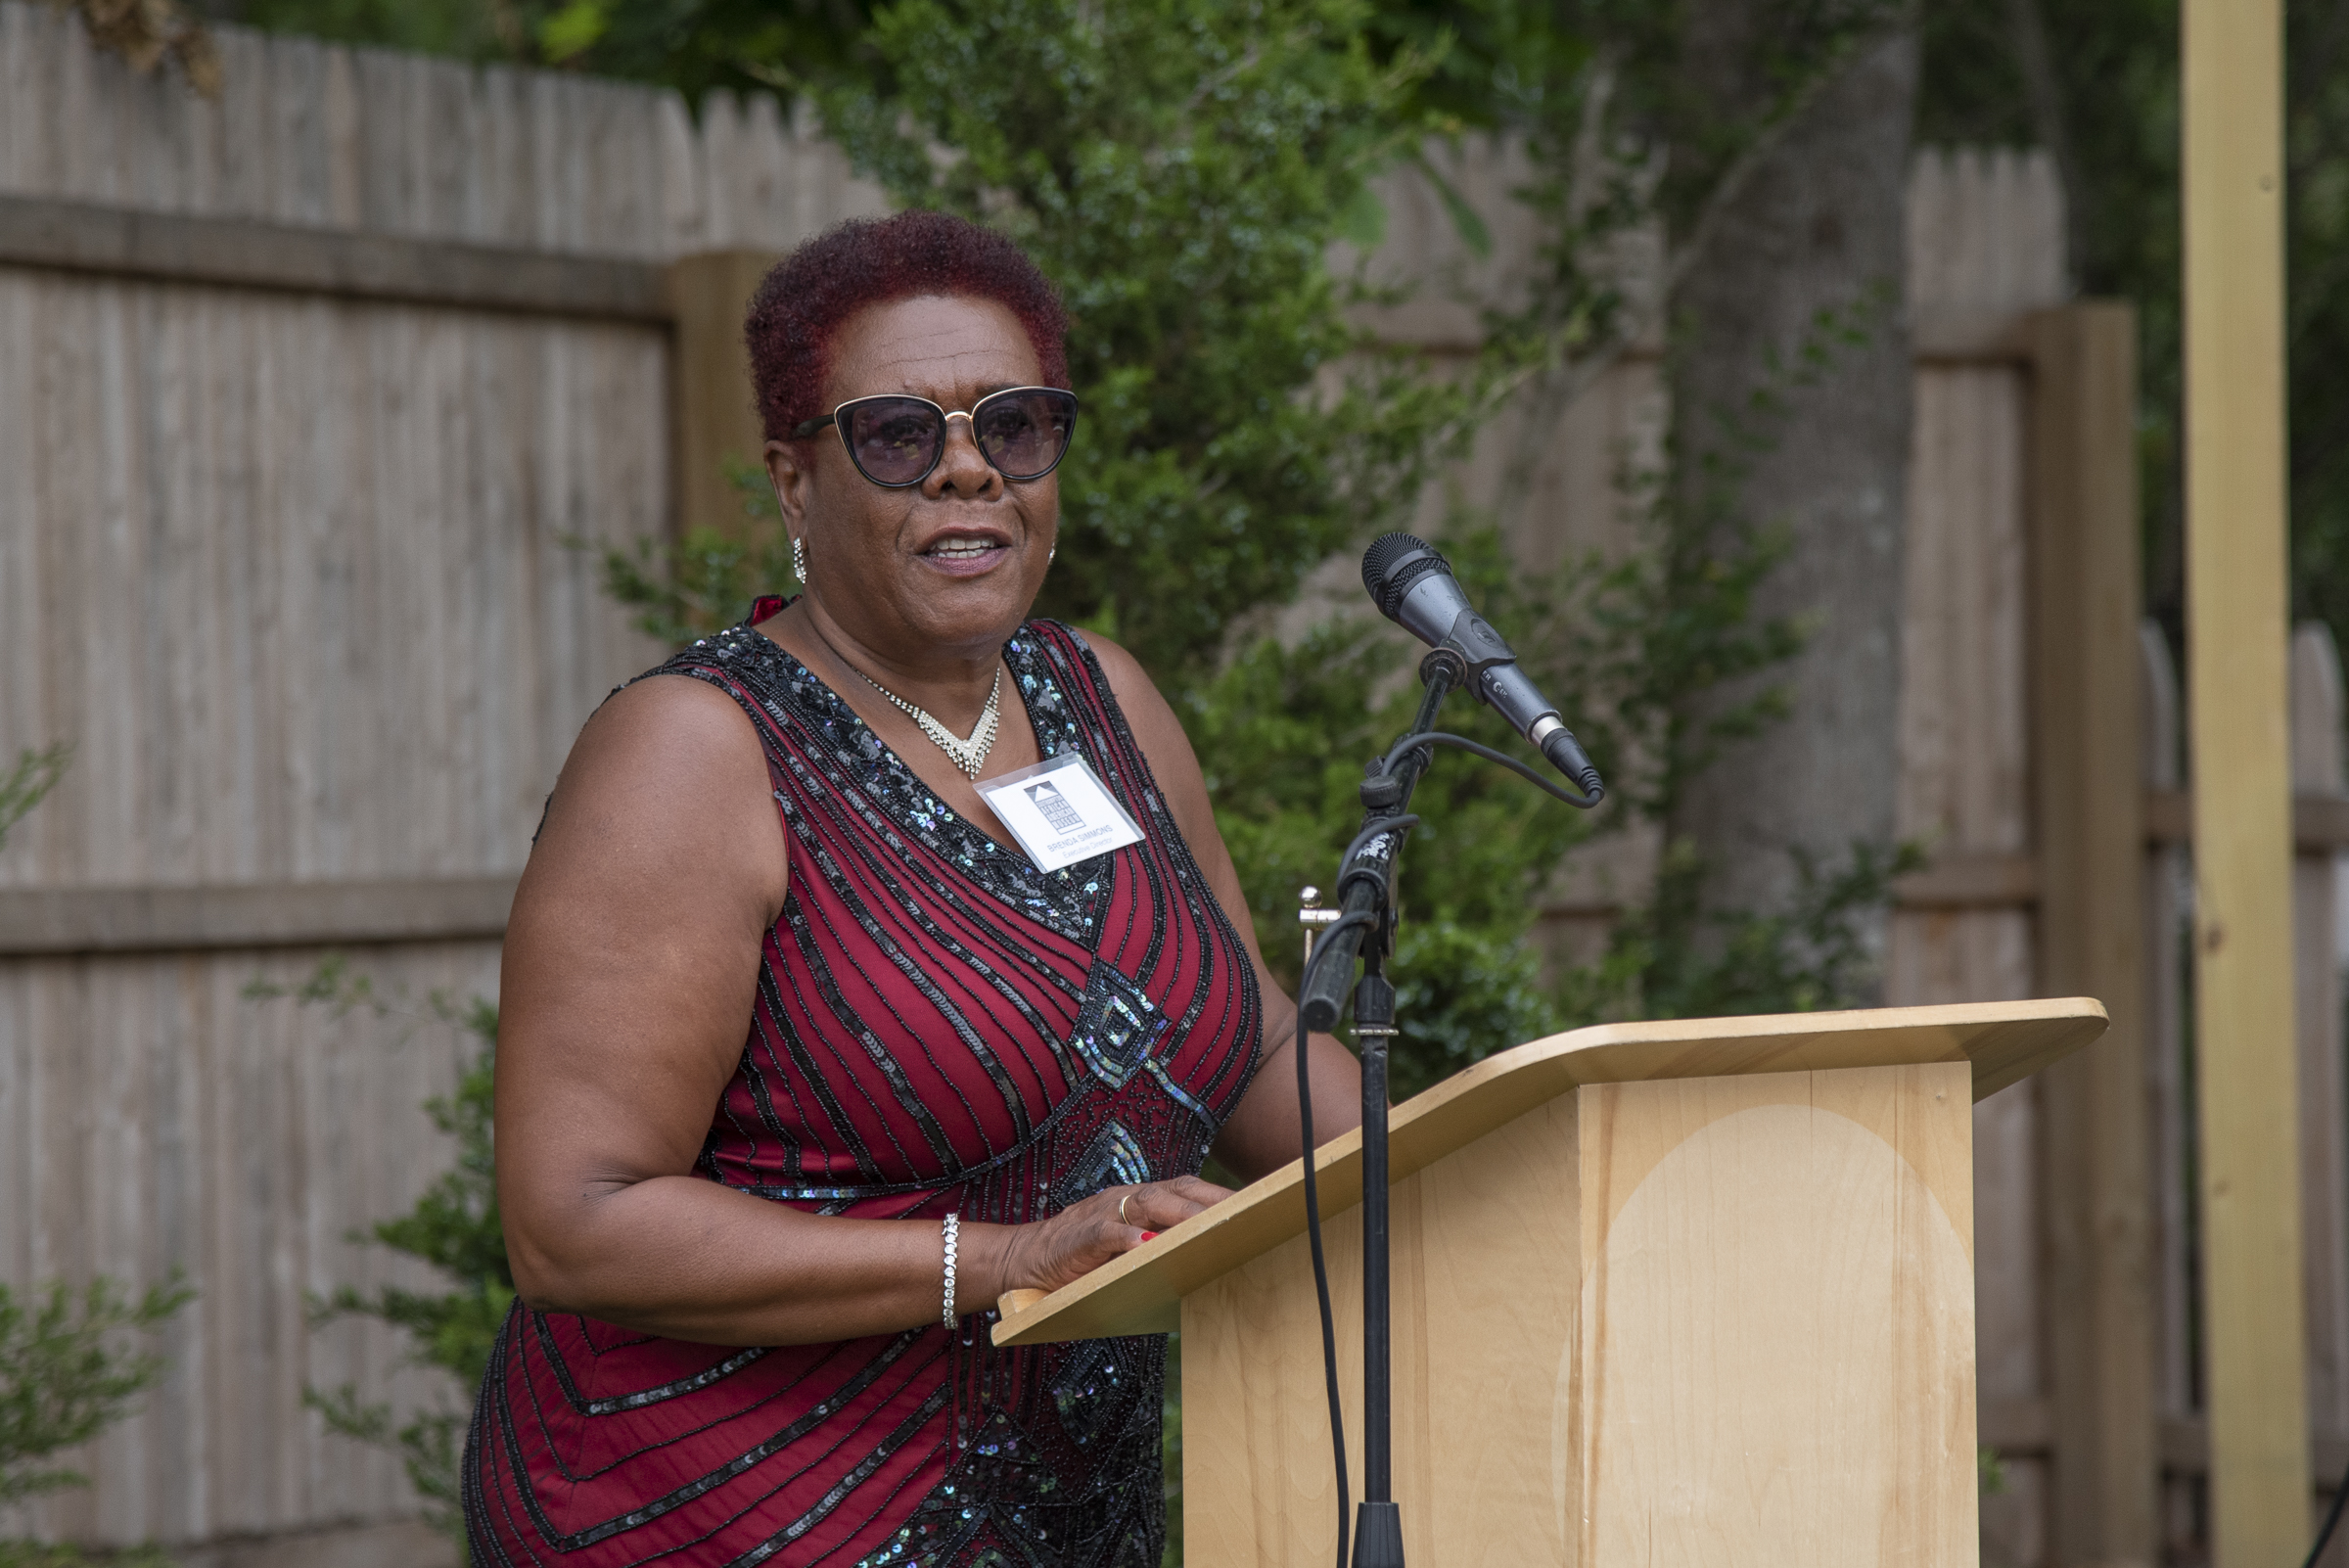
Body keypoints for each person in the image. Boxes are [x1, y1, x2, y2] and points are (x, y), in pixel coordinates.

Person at [464, 209, 1361, 1566]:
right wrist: (1001, 1259)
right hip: (732, 1513)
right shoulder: (697, 753)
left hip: (1067, 1517)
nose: (968, 472)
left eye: (1016, 427)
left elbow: (1247, 1045)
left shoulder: (1101, 697)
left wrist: (1481, 1176)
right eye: (898, 435)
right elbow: (576, 1221)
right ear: (794, 481)